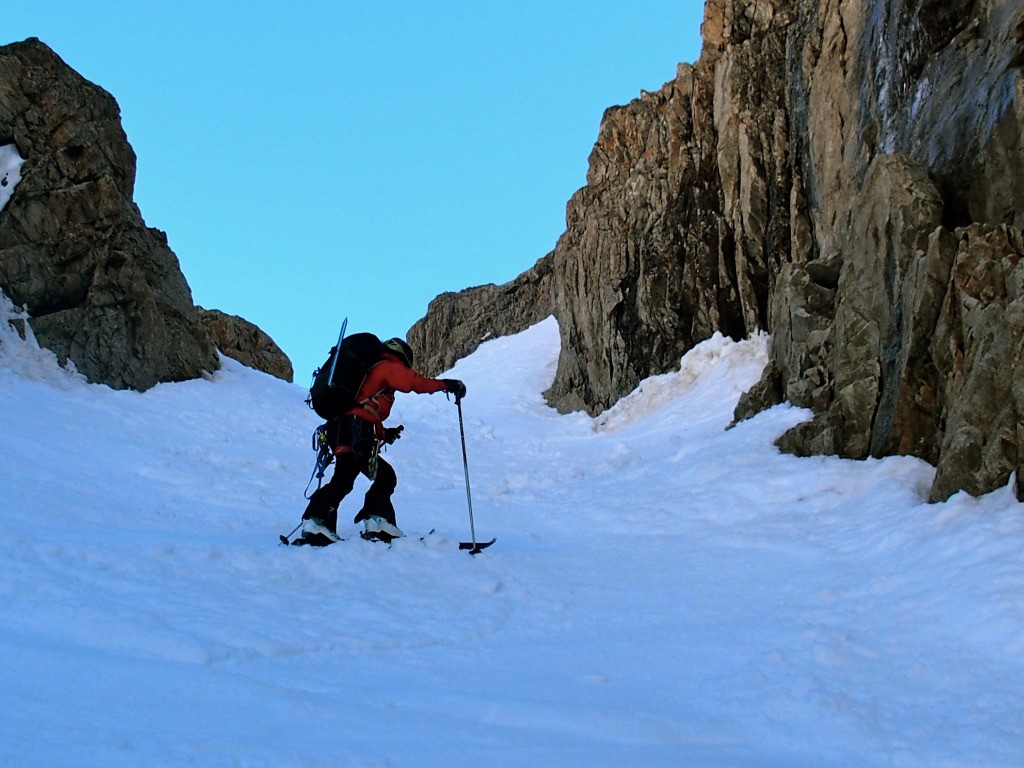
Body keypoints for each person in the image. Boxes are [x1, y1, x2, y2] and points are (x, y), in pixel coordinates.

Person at [297, 337, 466, 545]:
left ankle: (329, 521)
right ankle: (328, 520)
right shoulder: (387, 366)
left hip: (345, 429)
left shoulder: (371, 373)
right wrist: (446, 384)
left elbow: (365, 410)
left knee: (358, 477)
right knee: (371, 477)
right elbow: (412, 382)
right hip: (353, 430)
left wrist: (385, 434)